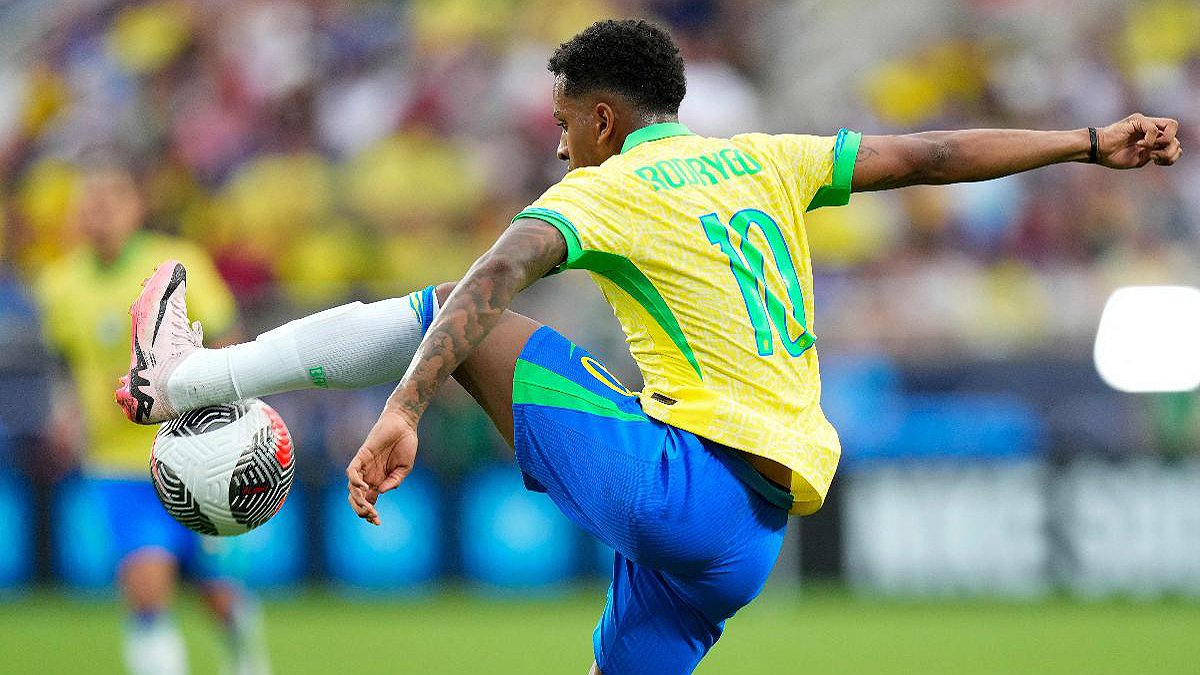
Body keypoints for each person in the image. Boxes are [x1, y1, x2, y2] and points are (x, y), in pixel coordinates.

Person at [116, 19, 1182, 675]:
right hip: (749, 543)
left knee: (453, 305)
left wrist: (403, 405)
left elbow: (488, 282)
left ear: (605, 120)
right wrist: (1089, 142)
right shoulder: (768, 158)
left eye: (564, 123)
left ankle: (188, 379)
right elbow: (935, 152)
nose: (557, 143)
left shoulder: (610, 186)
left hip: (682, 486)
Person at [39, 163, 270, 675]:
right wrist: (65, 412)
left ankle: (246, 659)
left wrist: (218, 410)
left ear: (136, 207)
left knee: (217, 593)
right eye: (90, 203)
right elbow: (63, 361)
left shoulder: (177, 264)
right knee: (146, 589)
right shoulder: (60, 285)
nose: (100, 212)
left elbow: (228, 337)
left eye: (112, 199)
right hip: (117, 463)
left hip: (193, 452)